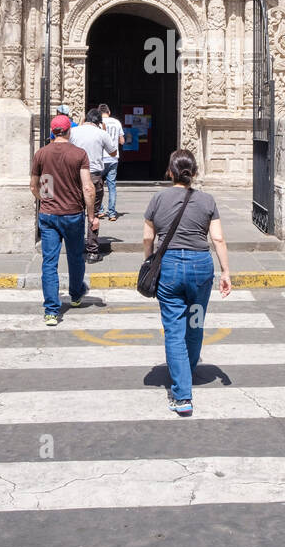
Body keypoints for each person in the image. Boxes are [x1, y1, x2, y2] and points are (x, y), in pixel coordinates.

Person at [143, 148, 232, 417]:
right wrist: (226, 272)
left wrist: (149, 261)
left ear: (170, 172)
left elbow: (148, 238)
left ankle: (182, 395)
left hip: (169, 268)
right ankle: (187, 369)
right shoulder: (207, 200)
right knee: (195, 321)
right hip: (200, 269)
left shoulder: (158, 198)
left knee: (173, 330)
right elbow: (218, 239)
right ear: (193, 173)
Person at [30, 113, 97, 326]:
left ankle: (51, 310)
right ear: (69, 131)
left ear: (52, 131)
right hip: (72, 214)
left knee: (49, 262)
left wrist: (46, 201)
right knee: (76, 256)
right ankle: (76, 295)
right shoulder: (79, 154)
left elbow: (35, 186)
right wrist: (92, 215)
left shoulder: (41, 154)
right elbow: (87, 187)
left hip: (49, 215)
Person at [71, 107, 116, 261]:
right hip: (94, 176)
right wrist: (103, 131)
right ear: (99, 122)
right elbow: (113, 152)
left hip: (76, 176)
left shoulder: (74, 131)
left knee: (76, 212)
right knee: (93, 213)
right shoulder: (101, 133)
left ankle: (75, 248)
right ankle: (92, 251)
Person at [98, 102, 125, 220]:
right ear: (109, 112)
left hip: (101, 158)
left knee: (98, 185)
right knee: (112, 186)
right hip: (113, 158)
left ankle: (100, 210)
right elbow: (122, 141)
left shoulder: (98, 123)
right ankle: (112, 213)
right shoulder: (117, 122)